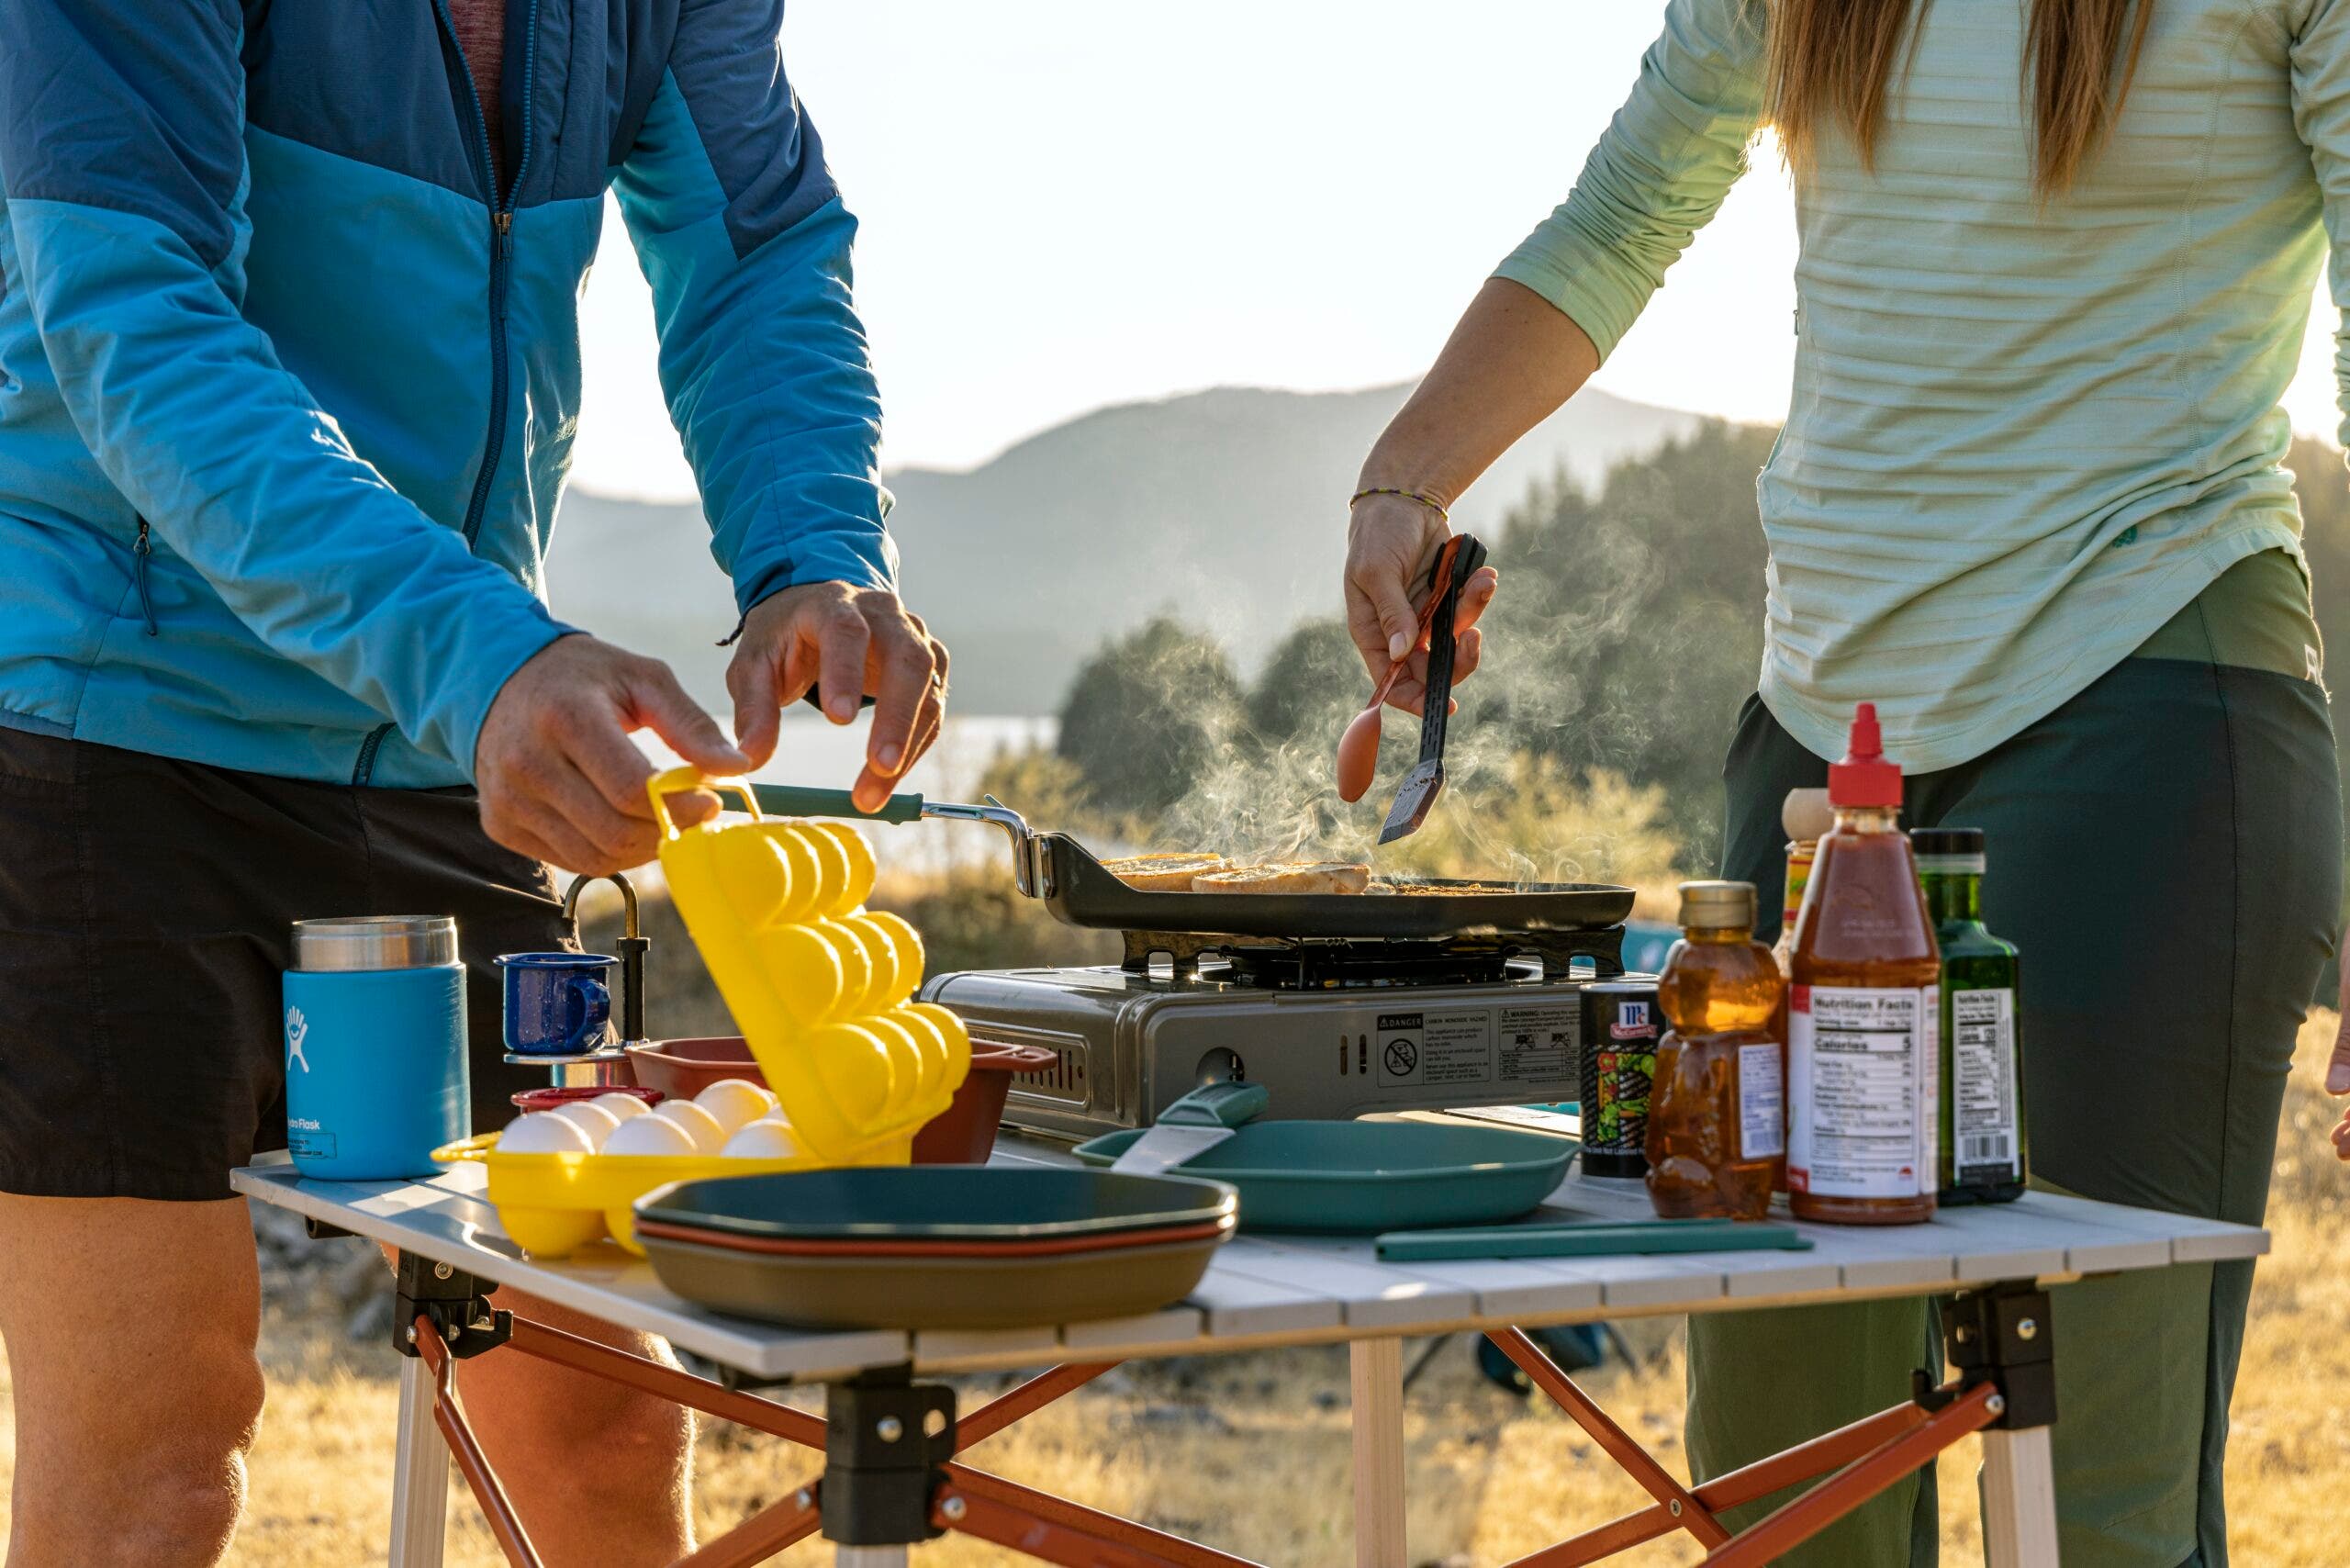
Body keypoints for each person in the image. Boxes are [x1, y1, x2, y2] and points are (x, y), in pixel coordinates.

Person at [1343, 2, 2345, 1563]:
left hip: (2153, 690)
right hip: (1822, 737)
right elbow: (1624, 211)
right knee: (1788, 1483)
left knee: (2101, 1490)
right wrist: (1406, 478)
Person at [0, 0, 946, 1562]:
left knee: (600, 1426)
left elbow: (759, 257)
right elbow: (132, 315)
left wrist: (814, 553)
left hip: (440, 738)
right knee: (156, 1460)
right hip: (115, 730)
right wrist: (486, 657)